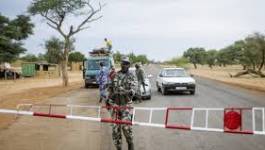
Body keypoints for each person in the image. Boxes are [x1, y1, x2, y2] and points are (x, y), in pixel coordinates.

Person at [108, 57, 135, 150]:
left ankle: (130, 144)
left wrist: (124, 91)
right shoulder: (115, 75)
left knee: (126, 127)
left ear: (129, 65)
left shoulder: (132, 76)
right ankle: (118, 148)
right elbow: (110, 88)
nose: (124, 65)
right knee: (115, 130)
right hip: (115, 106)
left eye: (126, 63)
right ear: (121, 64)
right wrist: (110, 97)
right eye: (123, 63)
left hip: (126, 105)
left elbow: (133, 90)